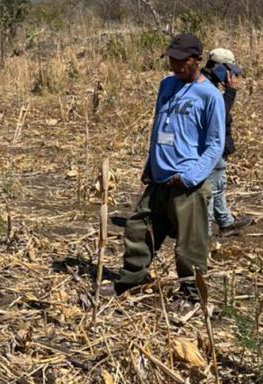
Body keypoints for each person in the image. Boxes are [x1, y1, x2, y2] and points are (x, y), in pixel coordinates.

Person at [101, 34, 225, 302]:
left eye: (182, 60)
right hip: (159, 178)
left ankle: (191, 295)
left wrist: (190, 176)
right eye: (172, 59)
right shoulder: (166, 85)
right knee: (138, 229)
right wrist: (150, 164)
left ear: (197, 60)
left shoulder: (210, 96)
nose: (175, 64)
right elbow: (159, 128)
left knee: (189, 247)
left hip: (187, 181)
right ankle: (130, 281)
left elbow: (216, 143)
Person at [202, 47, 252, 234]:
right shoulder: (206, 87)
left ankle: (225, 220)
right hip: (211, 146)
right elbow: (218, 116)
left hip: (217, 145)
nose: (232, 74)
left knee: (218, 184)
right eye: (228, 69)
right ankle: (204, 231)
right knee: (210, 188)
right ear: (218, 68)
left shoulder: (209, 84)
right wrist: (230, 92)